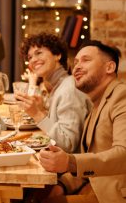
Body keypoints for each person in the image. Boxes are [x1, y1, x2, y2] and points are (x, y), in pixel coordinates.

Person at [34, 40, 126, 203]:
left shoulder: (122, 96)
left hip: (112, 195)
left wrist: (71, 162)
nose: (76, 66)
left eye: (86, 60)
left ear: (109, 67)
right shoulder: (97, 103)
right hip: (91, 186)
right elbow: (90, 160)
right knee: (32, 196)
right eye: (75, 62)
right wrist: (64, 184)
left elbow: (123, 154)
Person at [14, 33, 92, 153]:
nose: (33, 60)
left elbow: (68, 144)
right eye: (29, 57)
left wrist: (37, 115)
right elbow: (60, 126)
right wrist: (42, 111)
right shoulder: (61, 85)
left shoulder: (69, 89)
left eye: (38, 53)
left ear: (57, 55)